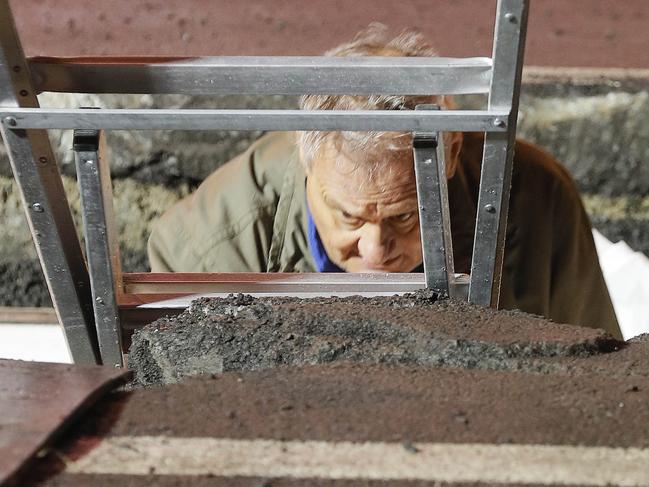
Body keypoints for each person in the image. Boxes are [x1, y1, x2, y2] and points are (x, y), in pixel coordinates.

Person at [148, 24, 621, 339]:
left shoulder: (534, 200)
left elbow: (595, 380)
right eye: (350, 216)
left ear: (451, 152)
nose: (376, 253)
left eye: (405, 215)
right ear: (305, 159)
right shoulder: (208, 249)